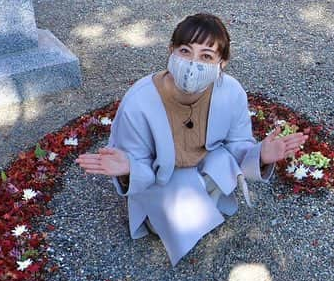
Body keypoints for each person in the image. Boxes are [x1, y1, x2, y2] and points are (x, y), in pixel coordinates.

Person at [75, 13, 306, 265]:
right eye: (185, 51)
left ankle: (202, 201)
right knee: (163, 224)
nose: (193, 64)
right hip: (161, 176)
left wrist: (260, 154)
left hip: (205, 167)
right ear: (171, 50)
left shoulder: (231, 92)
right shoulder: (138, 101)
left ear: (222, 63)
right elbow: (137, 158)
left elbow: (237, 144)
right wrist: (129, 168)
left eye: (206, 56)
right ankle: (179, 210)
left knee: (213, 181)